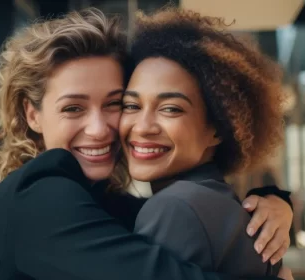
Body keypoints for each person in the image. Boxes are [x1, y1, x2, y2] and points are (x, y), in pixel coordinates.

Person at [0, 8, 293, 280]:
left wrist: (273, 201)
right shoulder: (38, 197)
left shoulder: (102, 203)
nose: (99, 128)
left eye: (116, 104)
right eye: (73, 108)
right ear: (33, 115)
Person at [118, 7, 289, 277]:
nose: (142, 126)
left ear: (217, 130)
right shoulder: (218, 201)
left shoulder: (175, 208)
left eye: (171, 109)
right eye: (131, 105)